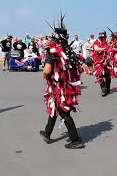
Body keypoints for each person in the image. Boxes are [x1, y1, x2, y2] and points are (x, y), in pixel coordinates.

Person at [40, 14, 84, 149]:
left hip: (60, 87)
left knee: (63, 111)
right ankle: (47, 133)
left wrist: (45, 75)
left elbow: (47, 71)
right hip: (67, 87)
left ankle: (75, 140)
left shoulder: (52, 52)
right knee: (55, 106)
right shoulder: (70, 51)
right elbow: (78, 70)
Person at [92, 31, 112, 97]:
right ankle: (103, 89)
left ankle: (108, 88)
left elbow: (110, 48)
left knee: (107, 75)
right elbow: (96, 49)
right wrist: (105, 48)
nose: (102, 38)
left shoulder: (107, 42)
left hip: (107, 61)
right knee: (99, 76)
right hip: (98, 62)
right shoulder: (96, 42)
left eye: (103, 37)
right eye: (101, 37)